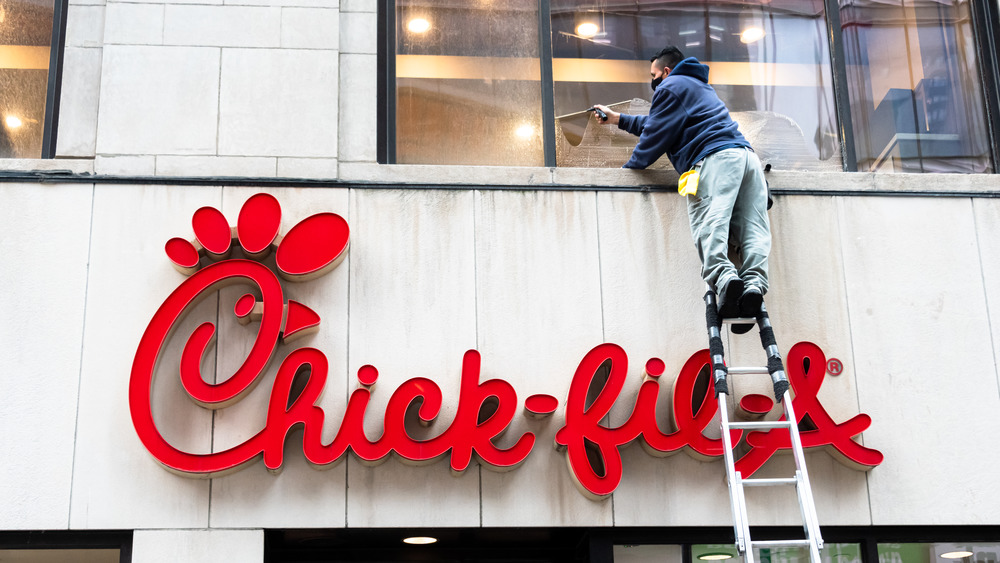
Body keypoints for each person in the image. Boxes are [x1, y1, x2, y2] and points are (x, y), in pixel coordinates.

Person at [593, 46, 771, 328]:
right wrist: (617, 119)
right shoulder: (698, 87)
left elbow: (655, 135)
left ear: (665, 71)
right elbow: (659, 121)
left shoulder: (671, 86)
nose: (653, 83)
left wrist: (629, 170)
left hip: (715, 161)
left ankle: (725, 280)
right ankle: (753, 285)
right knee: (753, 229)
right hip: (747, 160)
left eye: (653, 76)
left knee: (709, 224)